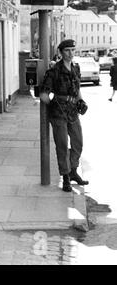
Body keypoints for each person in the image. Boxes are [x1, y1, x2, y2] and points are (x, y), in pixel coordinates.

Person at [40, 40, 89, 192]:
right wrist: (52, 105)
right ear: (61, 52)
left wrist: (81, 100)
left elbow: (77, 87)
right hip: (59, 113)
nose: (71, 53)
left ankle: (73, 171)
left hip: (73, 111)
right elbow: (43, 94)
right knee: (62, 145)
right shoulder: (54, 70)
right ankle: (66, 177)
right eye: (67, 50)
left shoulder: (76, 67)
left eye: (73, 50)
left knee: (78, 143)